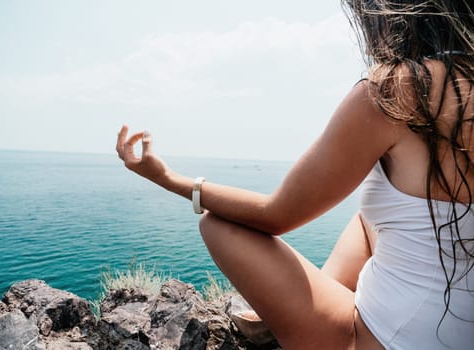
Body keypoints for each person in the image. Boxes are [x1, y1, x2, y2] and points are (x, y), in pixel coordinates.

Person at [116, 0, 474, 348]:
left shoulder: (400, 90)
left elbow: (275, 215)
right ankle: (311, 305)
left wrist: (166, 178)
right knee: (367, 219)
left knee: (220, 225)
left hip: (379, 340)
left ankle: (289, 320)